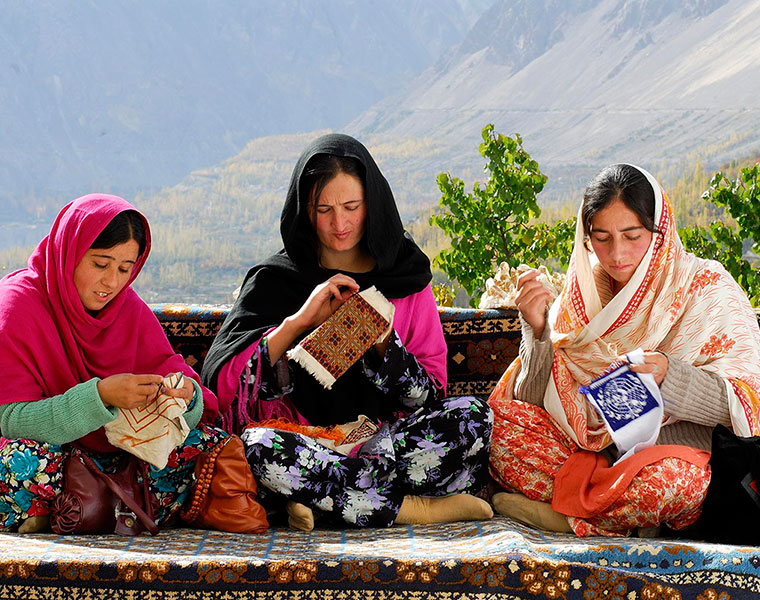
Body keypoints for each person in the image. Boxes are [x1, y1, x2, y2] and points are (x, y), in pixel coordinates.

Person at [202, 133, 493, 531]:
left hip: (384, 440)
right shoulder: (274, 280)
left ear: (372, 204)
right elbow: (223, 392)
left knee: (472, 419)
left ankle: (321, 500)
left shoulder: (406, 277)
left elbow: (430, 397)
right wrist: (299, 322)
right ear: (305, 211)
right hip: (307, 440)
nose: (340, 224)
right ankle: (409, 508)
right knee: (259, 449)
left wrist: (385, 347)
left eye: (351, 206)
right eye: (324, 209)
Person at [488, 164, 760, 537]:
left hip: (670, 460)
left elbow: (747, 403)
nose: (617, 255)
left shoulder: (707, 288)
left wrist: (670, 375)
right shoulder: (582, 294)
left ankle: (566, 517)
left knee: (672, 485)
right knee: (497, 431)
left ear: (659, 231)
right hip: (590, 458)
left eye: (632, 235)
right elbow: (532, 406)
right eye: (601, 238)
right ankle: (608, 516)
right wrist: (536, 331)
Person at [0, 194, 227, 532]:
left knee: (210, 445)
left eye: (125, 268)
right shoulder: (17, 307)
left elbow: (193, 402)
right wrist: (99, 398)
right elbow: (9, 420)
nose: (112, 282)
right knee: (17, 458)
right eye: (100, 264)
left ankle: (83, 511)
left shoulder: (128, 310)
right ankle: (88, 509)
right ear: (69, 253)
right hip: (54, 460)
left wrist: (183, 397)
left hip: (123, 459)